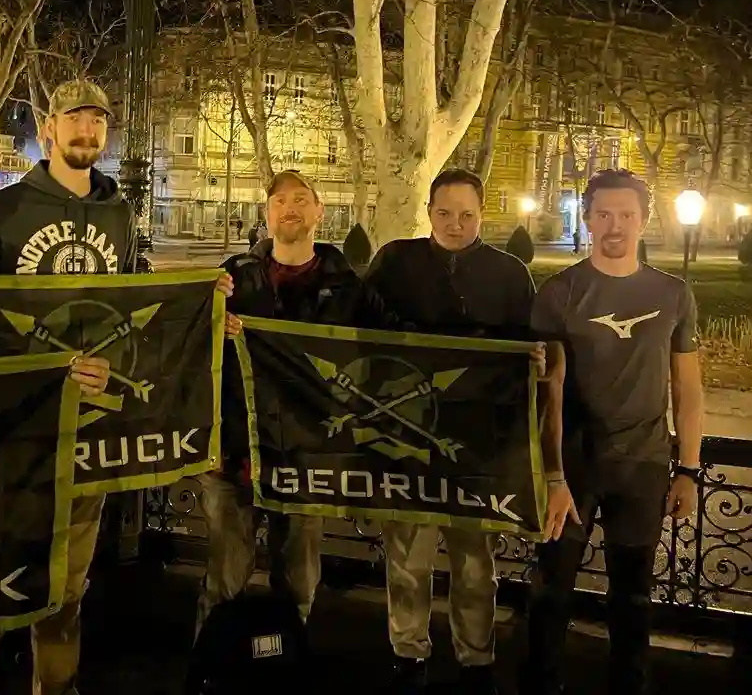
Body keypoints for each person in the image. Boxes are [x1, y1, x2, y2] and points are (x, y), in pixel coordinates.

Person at [0, 78, 232, 695]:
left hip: (89, 430)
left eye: (98, 120)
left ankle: (58, 685)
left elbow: (136, 300)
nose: (87, 129)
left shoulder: (118, 212)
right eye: (74, 116)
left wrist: (201, 296)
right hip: (12, 432)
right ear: (48, 127)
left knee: (67, 583)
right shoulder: (2, 211)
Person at [365, 170, 569, 695]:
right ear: (428, 211)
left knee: (475, 563)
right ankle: (407, 653)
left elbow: (531, 357)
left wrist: (538, 362)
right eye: (444, 213)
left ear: (483, 215)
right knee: (407, 559)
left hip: (480, 446)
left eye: (467, 214)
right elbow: (359, 334)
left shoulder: (509, 275)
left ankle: (475, 658)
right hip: (406, 439)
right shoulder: (393, 262)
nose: (456, 223)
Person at [524, 169, 704, 695]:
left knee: (633, 599)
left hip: (643, 465)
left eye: (627, 214)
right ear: (587, 218)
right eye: (603, 214)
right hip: (574, 467)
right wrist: (553, 477)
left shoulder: (673, 294)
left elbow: (687, 388)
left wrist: (689, 468)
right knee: (551, 590)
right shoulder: (559, 293)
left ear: (645, 220)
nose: (615, 225)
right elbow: (546, 395)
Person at [196, 169, 394, 639]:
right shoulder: (234, 278)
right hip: (234, 452)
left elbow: (397, 347)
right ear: (266, 215)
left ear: (319, 211)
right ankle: (210, 670)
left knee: (299, 581)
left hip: (307, 456)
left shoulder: (349, 288)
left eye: (301, 199)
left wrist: (505, 354)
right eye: (280, 200)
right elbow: (188, 345)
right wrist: (210, 317)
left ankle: (288, 666)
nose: (290, 208)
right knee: (224, 579)